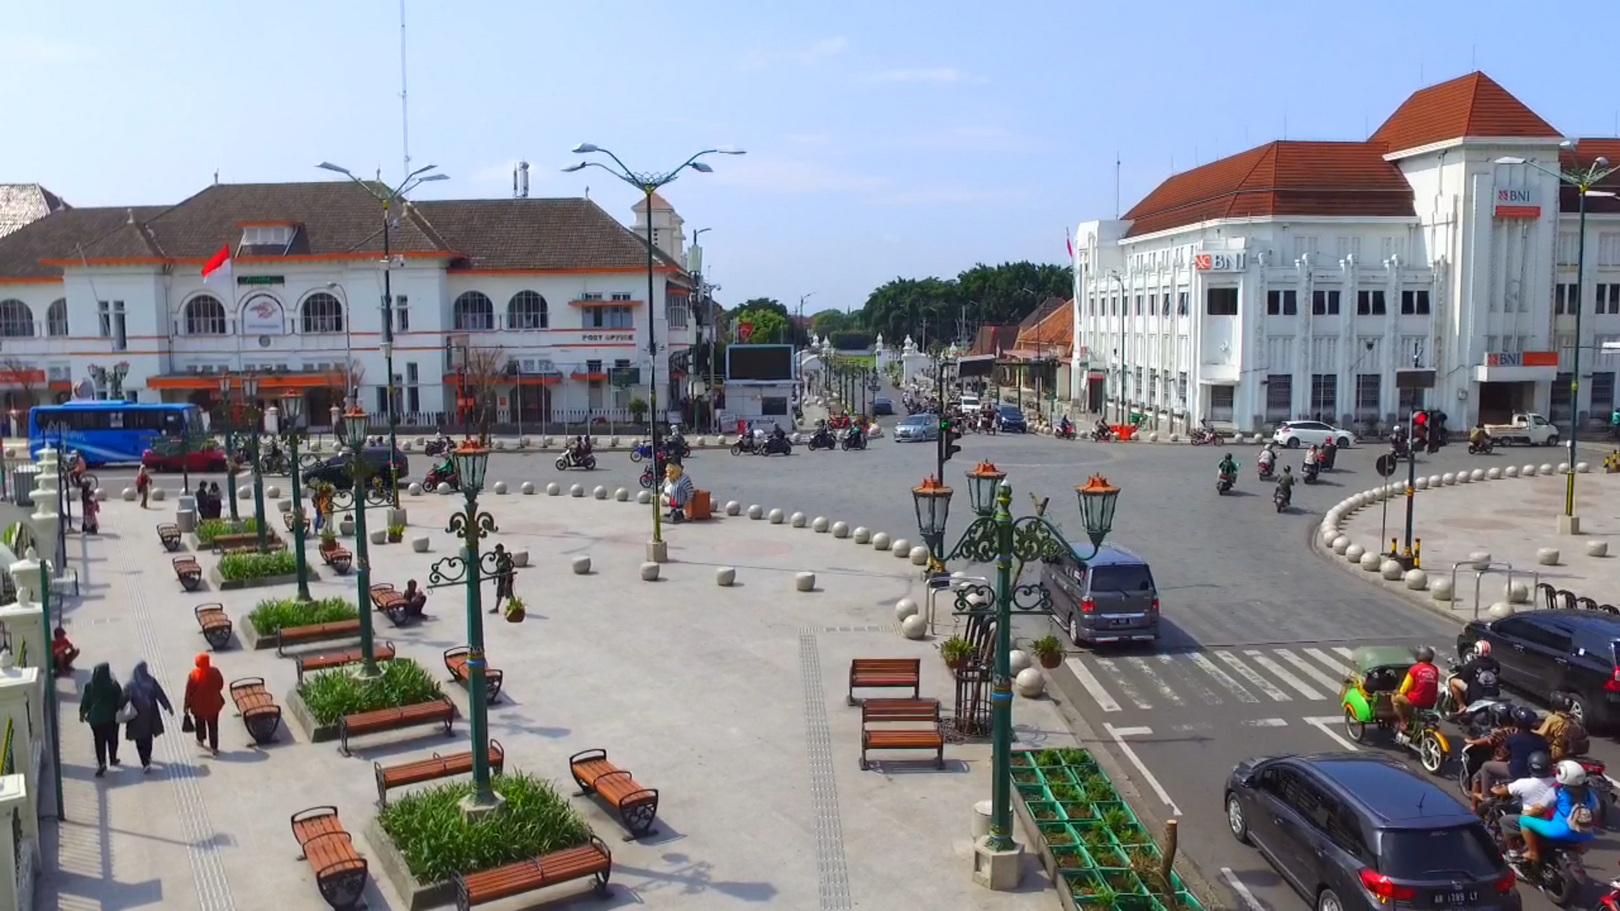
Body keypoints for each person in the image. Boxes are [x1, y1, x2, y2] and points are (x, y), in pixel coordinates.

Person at [1516, 759, 1600, 866]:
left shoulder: (1558, 791)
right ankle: (1578, 848)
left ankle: (1533, 853)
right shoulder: (1590, 793)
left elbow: (1539, 809)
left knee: (1524, 820)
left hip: (1560, 831)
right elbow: (1595, 811)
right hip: (1586, 834)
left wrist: (1528, 813)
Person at [1484, 751, 1554, 854]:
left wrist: (1494, 788)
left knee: (1505, 821)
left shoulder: (1523, 784)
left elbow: (1502, 791)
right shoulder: (1557, 782)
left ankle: (1513, 851)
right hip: (1553, 819)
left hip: (1535, 821)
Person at [1476, 706, 1551, 800]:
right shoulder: (1541, 740)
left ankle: (1486, 796)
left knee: (1486, 766)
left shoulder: (1513, 738)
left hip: (1514, 772)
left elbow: (1502, 756)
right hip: (1532, 774)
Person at [123, 661, 174, 772]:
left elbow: (122, 700)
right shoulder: (151, 681)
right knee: (148, 738)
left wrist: (118, 711)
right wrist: (168, 707)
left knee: (139, 740)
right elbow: (160, 694)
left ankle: (144, 761)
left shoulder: (130, 685)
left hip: (135, 717)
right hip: (150, 716)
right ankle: (148, 757)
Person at [79, 662, 124, 776]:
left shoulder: (89, 686)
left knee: (99, 741)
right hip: (111, 719)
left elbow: (85, 702)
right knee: (112, 739)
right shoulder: (114, 685)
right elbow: (121, 700)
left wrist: (82, 713)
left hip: (96, 721)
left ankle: (102, 763)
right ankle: (113, 758)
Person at [1392, 645, 1440, 735]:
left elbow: (1404, 688)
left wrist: (1398, 692)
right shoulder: (1434, 669)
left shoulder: (1414, 669)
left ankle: (1402, 722)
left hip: (1416, 701)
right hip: (1431, 701)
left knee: (1395, 699)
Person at [182, 653, 224, 754]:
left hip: (198, 706)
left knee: (199, 723)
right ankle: (214, 747)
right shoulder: (215, 672)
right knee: (213, 726)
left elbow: (189, 692)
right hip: (213, 705)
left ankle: (200, 740)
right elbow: (220, 684)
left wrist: (186, 705)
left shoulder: (193, 675)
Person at [1447, 640, 1501, 715]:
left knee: (1453, 681)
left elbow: (1465, 678)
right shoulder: (1495, 663)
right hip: (1493, 693)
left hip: (1477, 694)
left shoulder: (1472, 664)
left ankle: (1461, 705)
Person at [1535, 693, 1590, 762]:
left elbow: (1540, 735)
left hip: (1557, 753)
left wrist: (1528, 731)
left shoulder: (1553, 719)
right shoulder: (1573, 718)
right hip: (1570, 751)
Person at [488, 544, 514, 615]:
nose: (497, 552)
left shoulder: (506, 559)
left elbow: (508, 570)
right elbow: (499, 568)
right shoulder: (499, 559)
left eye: (498, 550)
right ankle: (496, 608)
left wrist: (506, 582)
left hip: (506, 578)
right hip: (501, 578)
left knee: (509, 593)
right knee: (499, 594)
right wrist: (495, 573)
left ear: (501, 550)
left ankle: (514, 606)